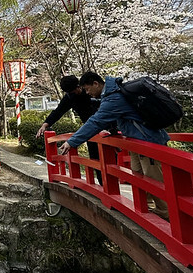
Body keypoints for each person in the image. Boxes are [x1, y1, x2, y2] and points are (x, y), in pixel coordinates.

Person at [58, 71, 170, 219]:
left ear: (96, 84)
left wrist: (72, 141)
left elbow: (96, 121)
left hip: (147, 140)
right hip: (137, 140)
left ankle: (165, 212)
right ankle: (146, 207)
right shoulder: (112, 94)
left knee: (152, 175)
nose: (87, 93)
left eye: (87, 89)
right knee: (138, 173)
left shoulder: (114, 98)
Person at [37, 75, 105, 185]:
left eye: (75, 90)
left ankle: (112, 186)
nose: (75, 93)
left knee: (110, 161)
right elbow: (59, 111)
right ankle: (103, 186)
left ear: (79, 86)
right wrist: (45, 124)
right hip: (89, 131)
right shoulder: (70, 97)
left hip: (105, 127)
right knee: (95, 159)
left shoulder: (91, 91)